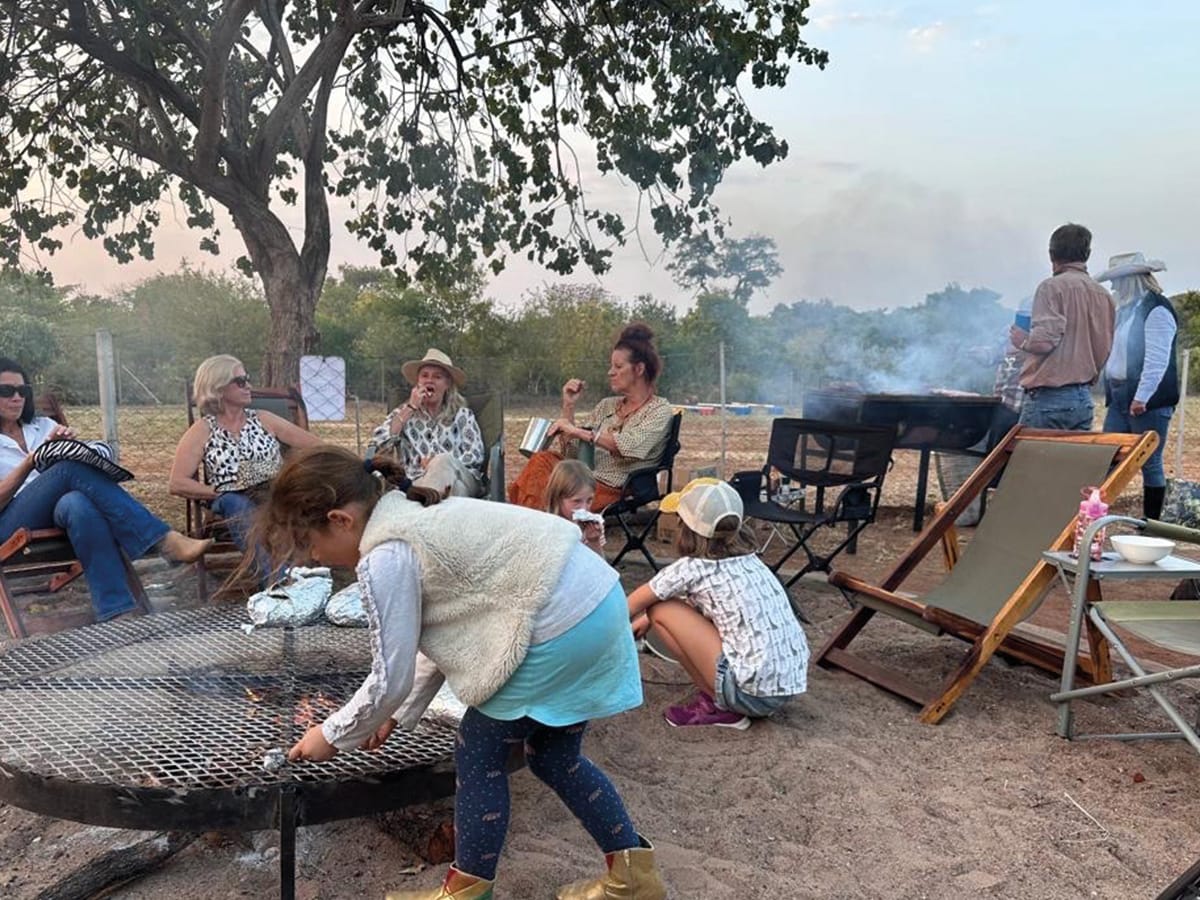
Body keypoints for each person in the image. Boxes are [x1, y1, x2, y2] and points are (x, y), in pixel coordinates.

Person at [270, 447, 665, 900]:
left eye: (309, 541)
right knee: (555, 756)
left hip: (559, 623)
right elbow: (437, 644)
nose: (312, 556)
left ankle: (466, 894)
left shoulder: (385, 554)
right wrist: (394, 714)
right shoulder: (414, 516)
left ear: (340, 520)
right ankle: (634, 877)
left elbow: (390, 676)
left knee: (478, 746)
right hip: (600, 603)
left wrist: (333, 733)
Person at [0, 358, 211, 622]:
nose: (17, 397)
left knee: (79, 504)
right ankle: (161, 540)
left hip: (56, 512)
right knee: (68, 470)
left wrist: (70, 447)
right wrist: (31, 461)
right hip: (8, 524)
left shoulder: (43, 426)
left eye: (23, 390)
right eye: (6, 391)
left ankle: (116, 611)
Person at [626, 479, 809, 730]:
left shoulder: (692, 568)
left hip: (748, 695)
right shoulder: (752, 561)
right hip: (784, 688)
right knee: (665, 610)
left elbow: (629, 606)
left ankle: (717, 705)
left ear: (685, 527)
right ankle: (723, 699)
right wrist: (645, 621)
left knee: (659, 608)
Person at [169, 355, 320, 581]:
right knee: (237, 504)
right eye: (240, 381)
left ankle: (294, 577)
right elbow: (177, 483)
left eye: (247, 379)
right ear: (218, 388)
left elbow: (317, 446)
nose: (248, 386)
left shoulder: (264, 419)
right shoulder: (202, 430)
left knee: (294, 499)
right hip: (230, 497)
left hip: (273, 490)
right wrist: (220, 491)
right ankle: (277, 582)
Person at [509, 322, 673, 511]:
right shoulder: (606, 405)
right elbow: (572, 454)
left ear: (639, 369)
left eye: (618, 366)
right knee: (542, 460)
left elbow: (629, 446)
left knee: (549, 493)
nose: (610, 372)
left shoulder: (659, 409)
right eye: (611, 366)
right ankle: (532, 519)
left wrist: (580, 432)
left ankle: (535, 521)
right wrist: (569, 406)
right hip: (580, 477)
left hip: (613, 487)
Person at [1097, 252, 1179, 521]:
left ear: (1130, 280)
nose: (1113, 286)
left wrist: (1142, 396)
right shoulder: (1125, 311)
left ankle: (1151, 523)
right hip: (1120, 395)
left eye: (1117, 281)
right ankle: (1095, 516)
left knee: (1150, 461)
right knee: (1107, 456)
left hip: (1147, 400)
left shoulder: (1157, 309)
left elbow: (1157, 360)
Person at [1011, 223, 1115, 431]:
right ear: (1087, 254)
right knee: (1074, 454)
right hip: (1083, 399)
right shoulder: (1104, 295)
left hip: (1048, 401)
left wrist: (1022, 340)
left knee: (1032, 454)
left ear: (1052, 254)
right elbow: (1105, 348)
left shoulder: (1050, 288)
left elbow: (1044, 342)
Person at [366, 348, 485, 498]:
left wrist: (438, 464)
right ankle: (436, 504)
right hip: (418, 481)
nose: (429, 380)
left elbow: (475, 455)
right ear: (418, 382)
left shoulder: (463, 415)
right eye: (424, 376)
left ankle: (430, 501)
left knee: (443, 463)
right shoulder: (404, 414)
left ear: (447, 384)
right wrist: (411, 407)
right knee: (455, 491)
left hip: (462, 477)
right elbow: (379, 442)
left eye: (437, 377)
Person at [544, 459, 605, 555]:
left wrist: (594, 542)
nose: (584, 508)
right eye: (576, 501)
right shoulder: (546, 527)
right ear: (558, 498)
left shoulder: (592, 528)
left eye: (589, 500)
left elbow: (599, 563)